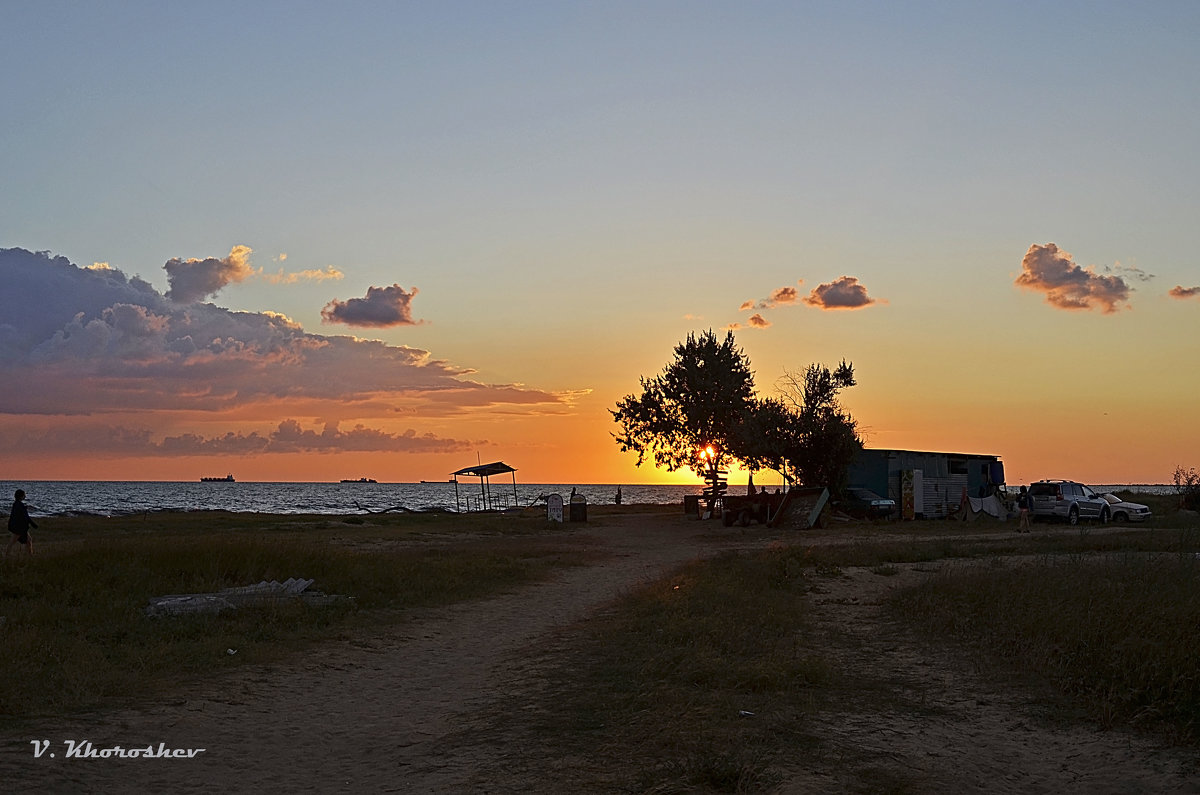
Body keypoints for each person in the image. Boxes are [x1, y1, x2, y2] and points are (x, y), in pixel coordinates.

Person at [7, 489, 37, 556]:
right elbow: (25, 517)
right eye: (24, 495)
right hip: (18, 528)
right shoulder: (19, 505)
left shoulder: (17, 504)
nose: (25, 496)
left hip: (18, 527)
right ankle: (7, 555)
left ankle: (30, 555)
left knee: (29, 540)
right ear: (21, 496)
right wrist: (33, 524)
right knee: (12, 542)